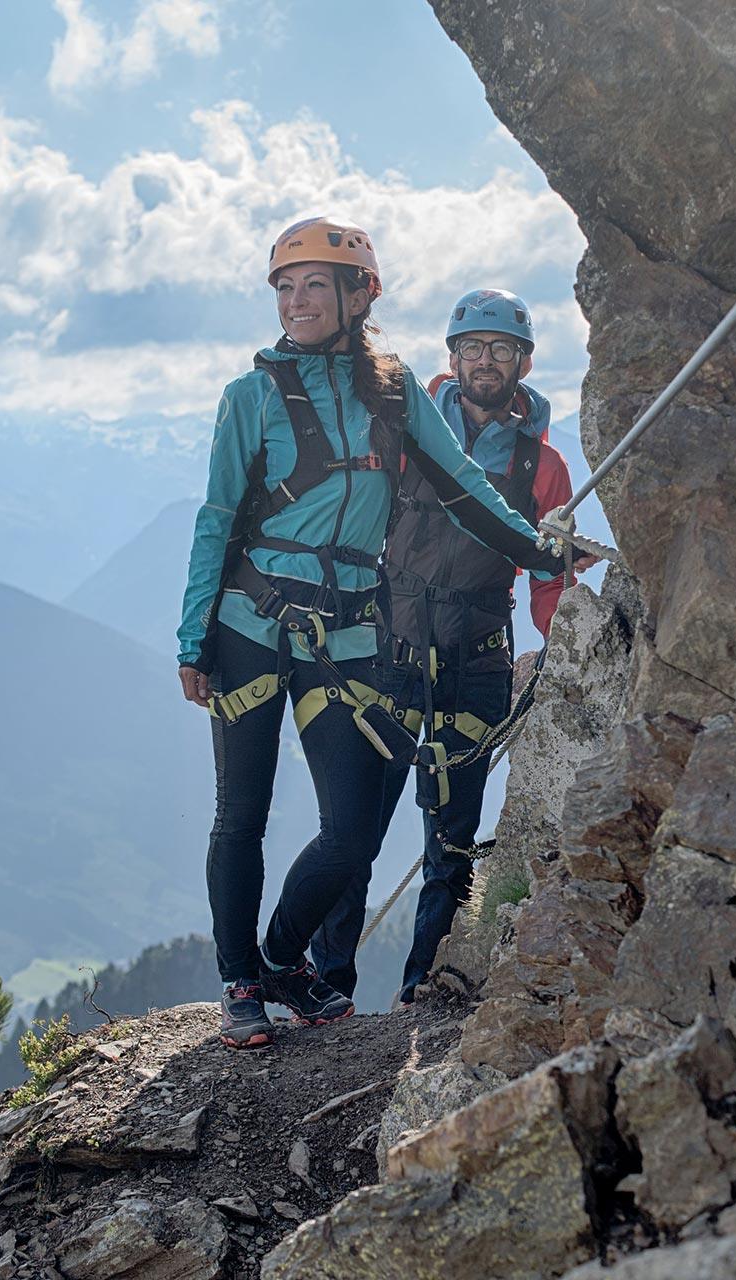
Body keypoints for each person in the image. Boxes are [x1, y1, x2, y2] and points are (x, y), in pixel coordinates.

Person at [176, 219, 578, 1049]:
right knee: (239, 816)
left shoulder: (393, 393)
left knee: (352, 830)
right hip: (250, 624)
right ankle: (241, 981)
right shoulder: (249, 397)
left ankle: (281, 957)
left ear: (360, 297)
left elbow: (465, 489)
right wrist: (193, 637)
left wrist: (537, 548)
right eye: (285, 288)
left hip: (350, 636)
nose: (296, 303)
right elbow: (217, 516)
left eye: (315, 286)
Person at [311, 289, 581, 1006]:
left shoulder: (542, 467)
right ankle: (325, 983)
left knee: (452, 840)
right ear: (452, 360)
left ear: (521, 363)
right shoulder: (404, 433)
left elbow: (551, 573)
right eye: (471, 349)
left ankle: (421, 989)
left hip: (479, 661)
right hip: (392, 652)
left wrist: (560, 648)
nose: (483, 361)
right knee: (355, 829)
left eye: (498, 349)